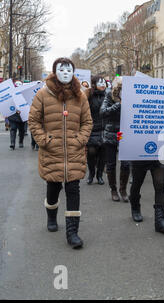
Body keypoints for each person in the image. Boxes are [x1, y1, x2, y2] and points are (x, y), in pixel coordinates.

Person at [28, 57, 93, 249]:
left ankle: (72, 233)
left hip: (74, 152)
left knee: (73, 190)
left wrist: (80, 140)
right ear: (55, 71)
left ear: (74, 73)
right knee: (53, 188)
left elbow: (87, 122)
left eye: (69, 69)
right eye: (61, 69)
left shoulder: (80, 96)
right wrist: (44, 140)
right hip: (52, 152)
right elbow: (34, 121)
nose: (65, 73)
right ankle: (51, 216)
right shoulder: (43, 94)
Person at [100, 77, 130, 202]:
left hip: (127, 133)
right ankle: (113, 189)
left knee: (126, 164)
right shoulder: (109, 95)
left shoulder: (132, 96)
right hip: (111, 133)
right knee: (111, 164)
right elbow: (103, 112)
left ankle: (123, 189)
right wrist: (118, 105)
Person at [85, 75, 107, 185]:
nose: (103, 85)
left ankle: (99, 176)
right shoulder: (88, 96)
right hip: (92, 129)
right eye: (100, 83)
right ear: (94, 84)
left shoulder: (110, 96)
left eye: (104, 83)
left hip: (105, 129)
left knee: (103, 154)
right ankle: (91, 174)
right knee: (91, 153)